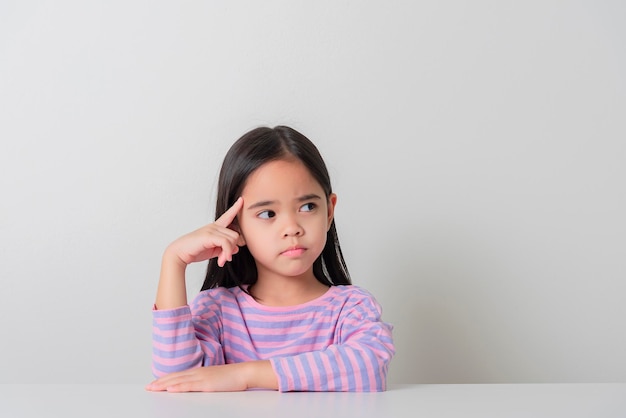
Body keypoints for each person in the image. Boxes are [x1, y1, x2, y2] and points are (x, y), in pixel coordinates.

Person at [146, 126, 395, 393]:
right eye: (267, 213)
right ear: (236, 227)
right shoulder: (218, 311)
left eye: (308, 207)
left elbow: (369, 369)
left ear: (329, 211)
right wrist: (174, 260)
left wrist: (247, 375)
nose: (292, 228)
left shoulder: (351, 308)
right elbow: (176, 382)